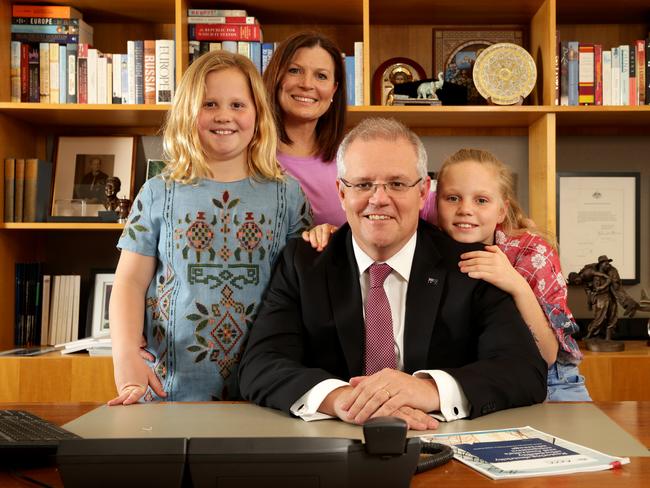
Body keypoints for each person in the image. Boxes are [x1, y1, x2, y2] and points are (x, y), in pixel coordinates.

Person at [239, 118, 547, 430]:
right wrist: (347, 400)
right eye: (362, 184)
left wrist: (429, 390)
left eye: (397, 184)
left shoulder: (470, 266)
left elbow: (524, 370)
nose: (379, 198)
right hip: (331, 441)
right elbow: (260, 365)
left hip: (442, 440)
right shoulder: (303, 263)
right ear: (342, 193)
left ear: (423, 191)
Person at [108, 51, 312, 406]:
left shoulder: (289, 195)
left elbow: (304, 287)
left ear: (258, 114)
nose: (224, 116)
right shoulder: (159, 191)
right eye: (210, 104)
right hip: (170, 388)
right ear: (188, 112)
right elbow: (130, 281)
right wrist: (125, 351)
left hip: (268, 389)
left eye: (237, 104)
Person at [434, 148, 590, 401]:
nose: (465, 209)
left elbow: (548, 356)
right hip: (486, 378)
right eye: (452, 198)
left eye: (481, 200)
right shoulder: (431, 251)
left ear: (501, 211)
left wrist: (516, 283)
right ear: (434, 203)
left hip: (552, 383)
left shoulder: (532, 252)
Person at [265, 31, 436, 241]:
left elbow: (428, 203)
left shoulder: (352, 154)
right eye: (294, 70)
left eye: (321, 76)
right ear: (275, 77)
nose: (307, 84)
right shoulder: (249, 154)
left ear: (334, 89)